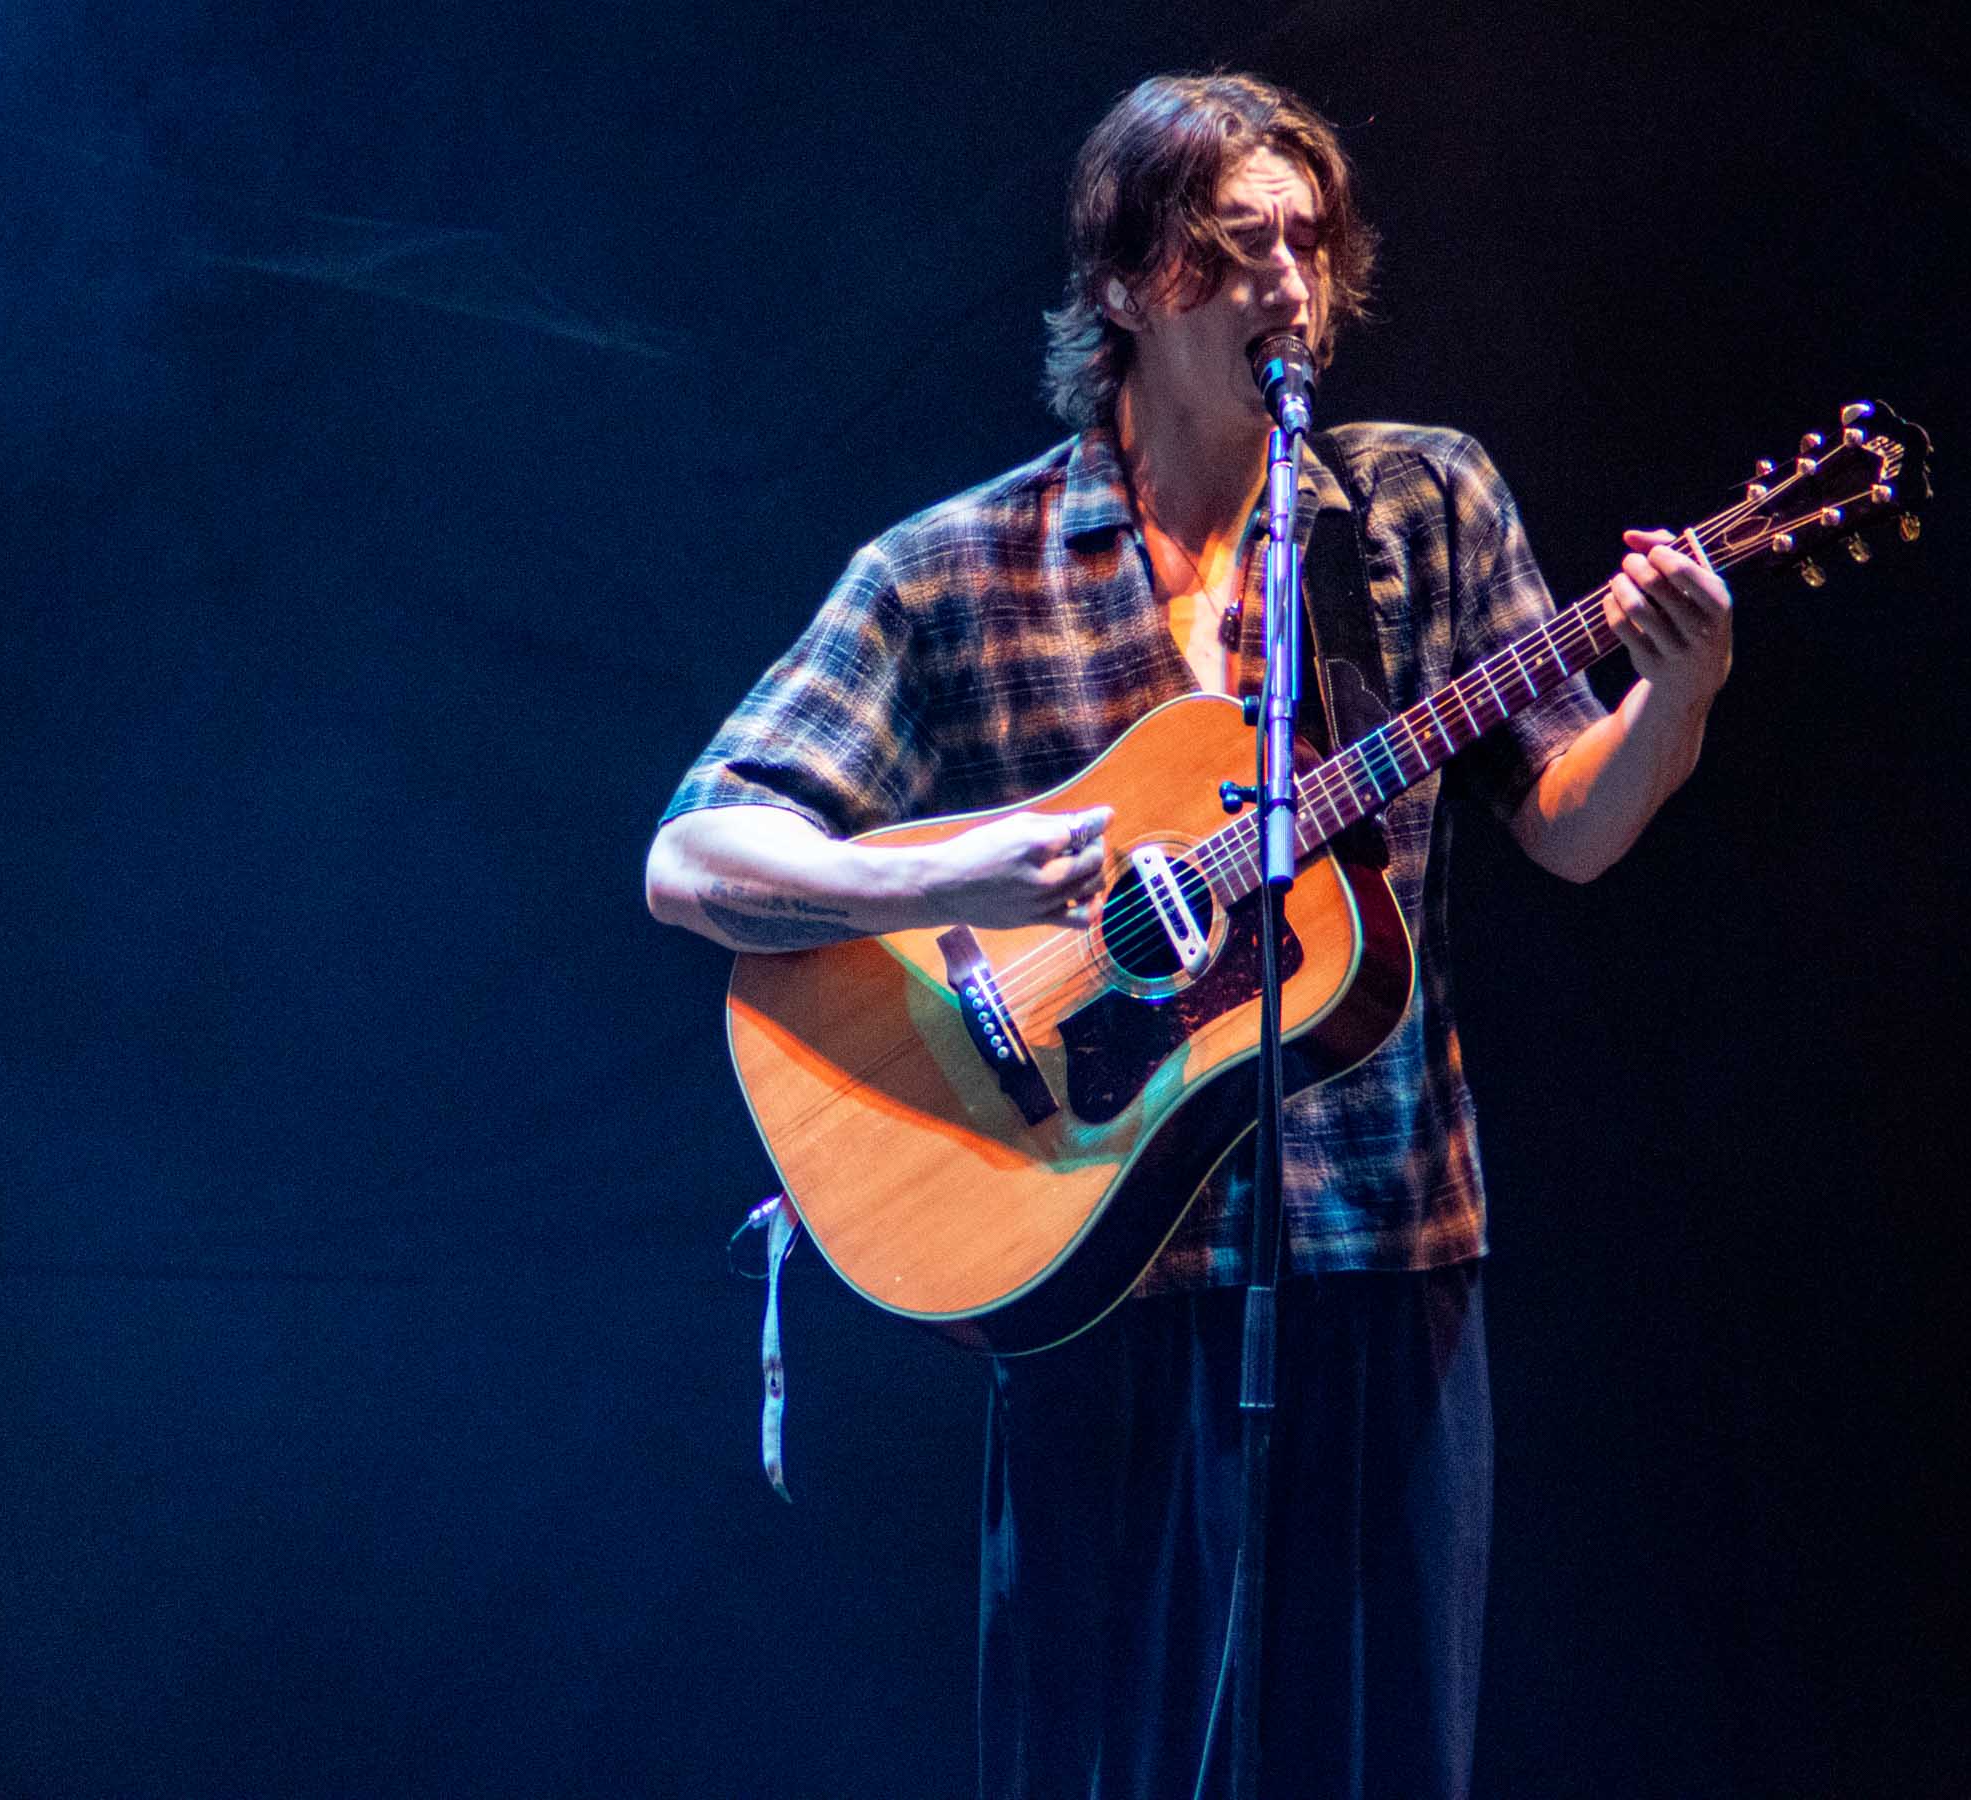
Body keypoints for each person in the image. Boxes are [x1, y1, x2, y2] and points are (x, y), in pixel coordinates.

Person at [642, 71, 1731, 1800]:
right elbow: (697, 855)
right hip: (1097, 1283)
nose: (1287, 282)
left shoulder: (1424, 507)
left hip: (1383, 1254)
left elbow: (1572, 825)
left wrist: (1675, 699)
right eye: (1234, 246)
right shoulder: (957, 567)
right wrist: (947, 878)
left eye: (1310, 242)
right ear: (1128, 280)